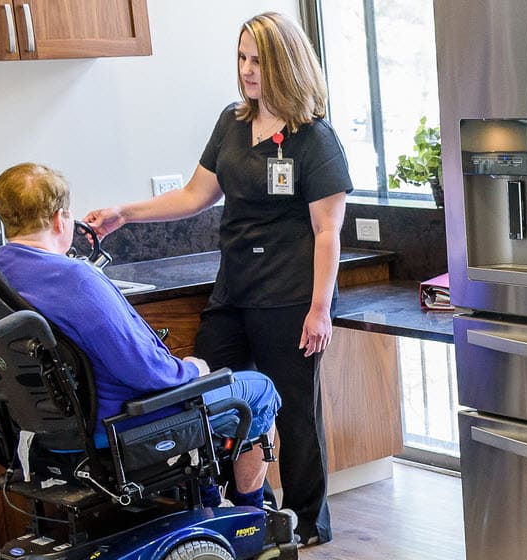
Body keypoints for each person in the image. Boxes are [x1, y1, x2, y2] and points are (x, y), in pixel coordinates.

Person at [82, 12, 350, 544]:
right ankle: (251, 508)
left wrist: (319, 309)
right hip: (236, 289)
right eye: (243, 59)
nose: (248, 71)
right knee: (211, 400)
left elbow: (327, 232)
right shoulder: (231, 121)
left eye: (258, 61)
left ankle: (308, 521)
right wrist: (125, 214)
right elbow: (194, 195)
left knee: (293, 412)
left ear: (285, 65)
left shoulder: (314, 139)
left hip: (291, 298)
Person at [0, 162, 281, 509]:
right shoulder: (76, 281)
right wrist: (193, 370)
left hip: (49, 426)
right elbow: (147, 372)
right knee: (259, 390)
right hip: (119, 420)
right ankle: (252, 512)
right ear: (59, 219)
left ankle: (211, 502)